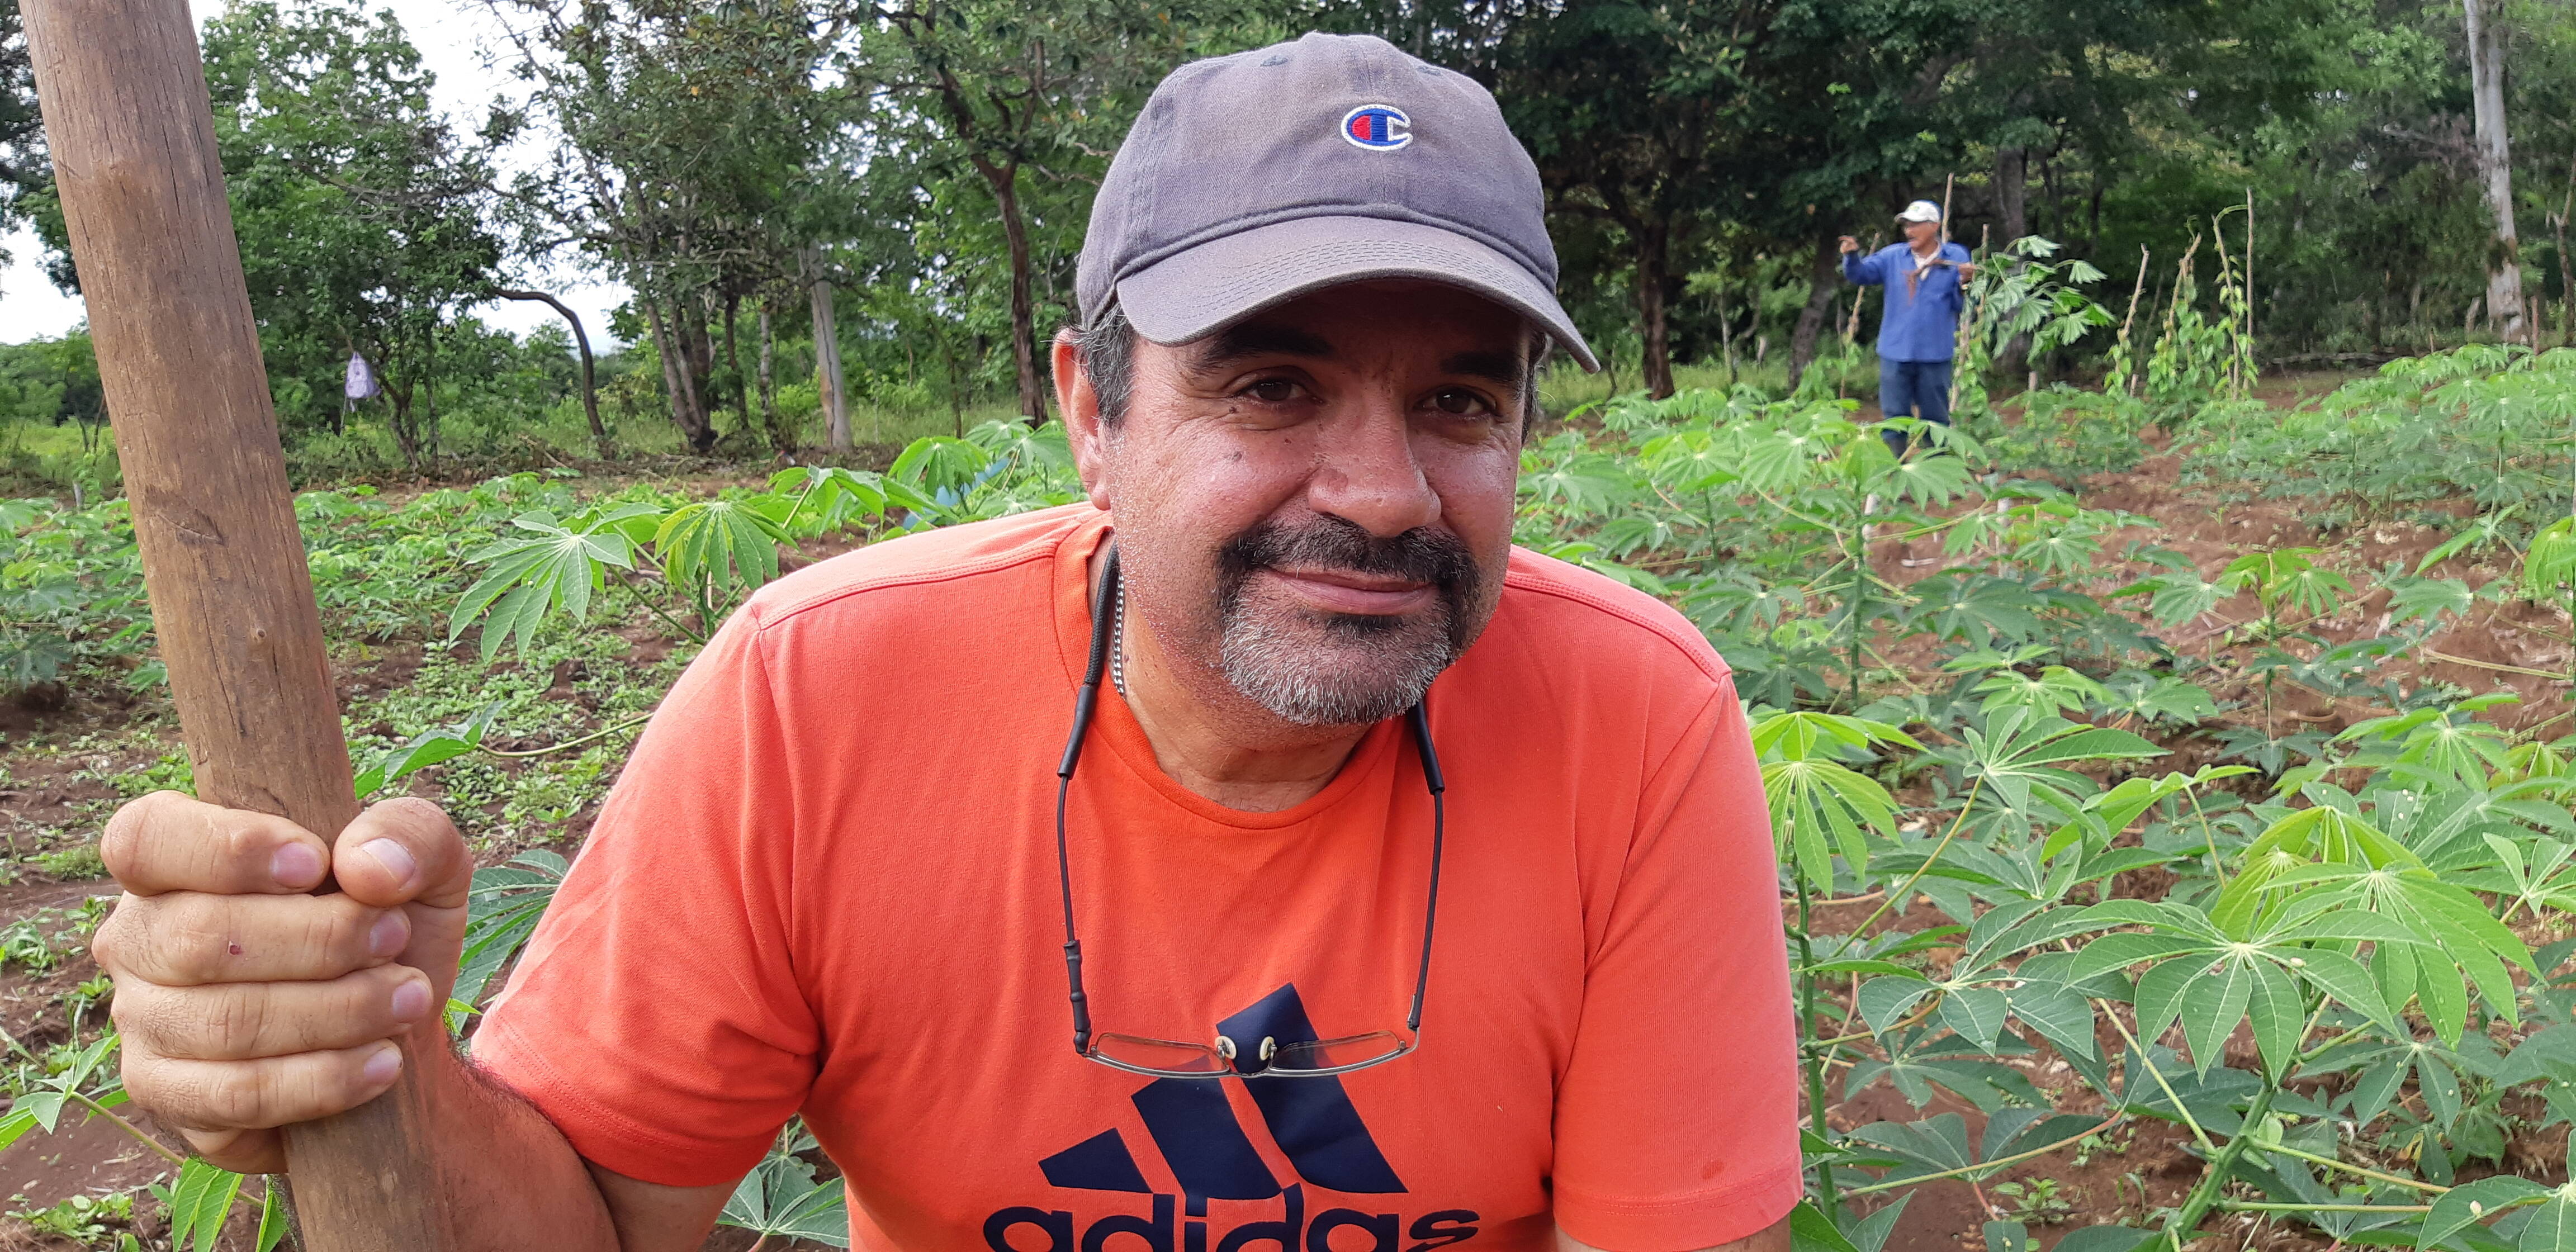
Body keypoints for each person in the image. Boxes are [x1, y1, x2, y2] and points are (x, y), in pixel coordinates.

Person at [89, 32, 1800, 1252]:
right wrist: (360, 1060)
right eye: (1271, 383)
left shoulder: (1634, 719)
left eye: (1461, 398)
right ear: (1091, 414)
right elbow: (596, 1226)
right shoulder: (819, 692)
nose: (1379, 489)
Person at [1839, 200, 1976, 457]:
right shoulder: (1893, 256)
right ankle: (1896, 470)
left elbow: (1962, 303)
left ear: (1934, 226)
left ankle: (1935, 469)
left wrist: (1967, 283)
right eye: (1907, 226)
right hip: (1896, 350)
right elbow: (1862, 275)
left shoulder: (1955, 257)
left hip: (1935, 352)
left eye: (1915, 225)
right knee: (1894, 415)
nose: (1909, 231)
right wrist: (1851, 256)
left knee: (1935, 416)